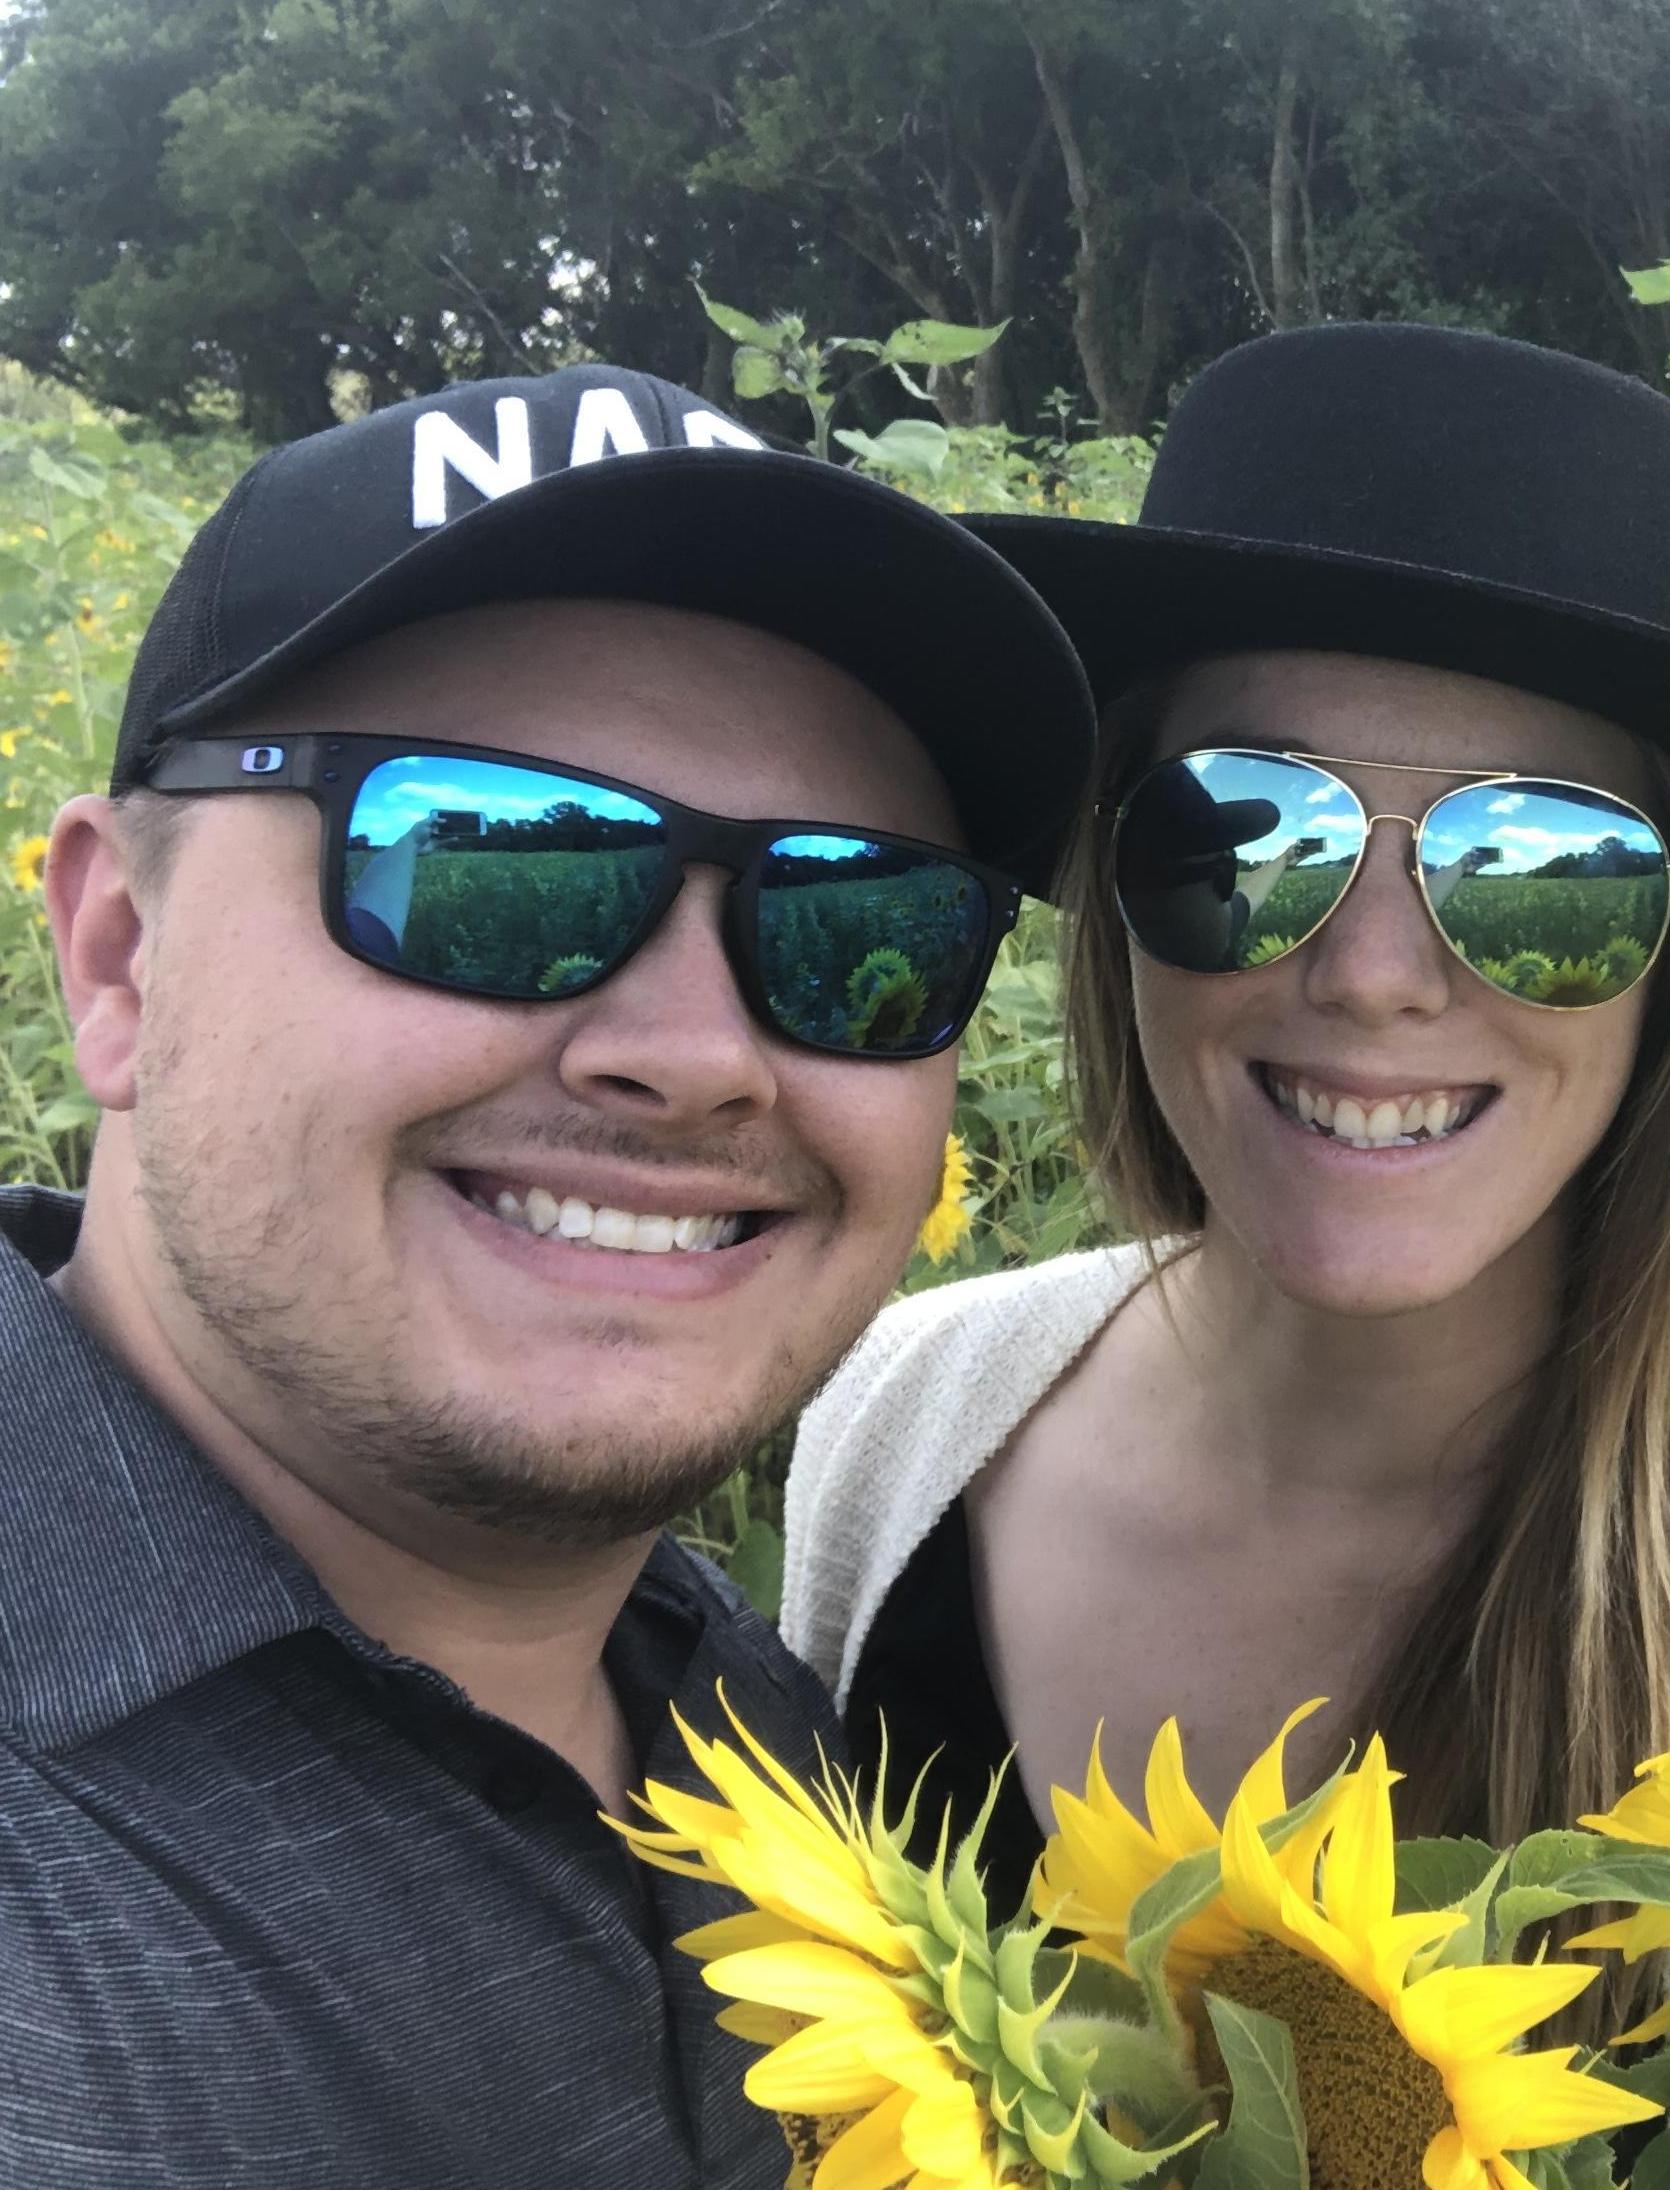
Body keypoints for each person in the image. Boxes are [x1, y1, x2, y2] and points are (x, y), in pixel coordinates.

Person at [780, 324, 1670, 2179]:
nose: (1368, 971)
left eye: (1546, 862)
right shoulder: (899, 1411)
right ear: (1112, 884)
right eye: (1241, 831)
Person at [1, 362, 1093, 2188]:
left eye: (855, 918)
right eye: (482, 850)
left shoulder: (743, 1701)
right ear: (119, 955)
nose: (696, 1051)